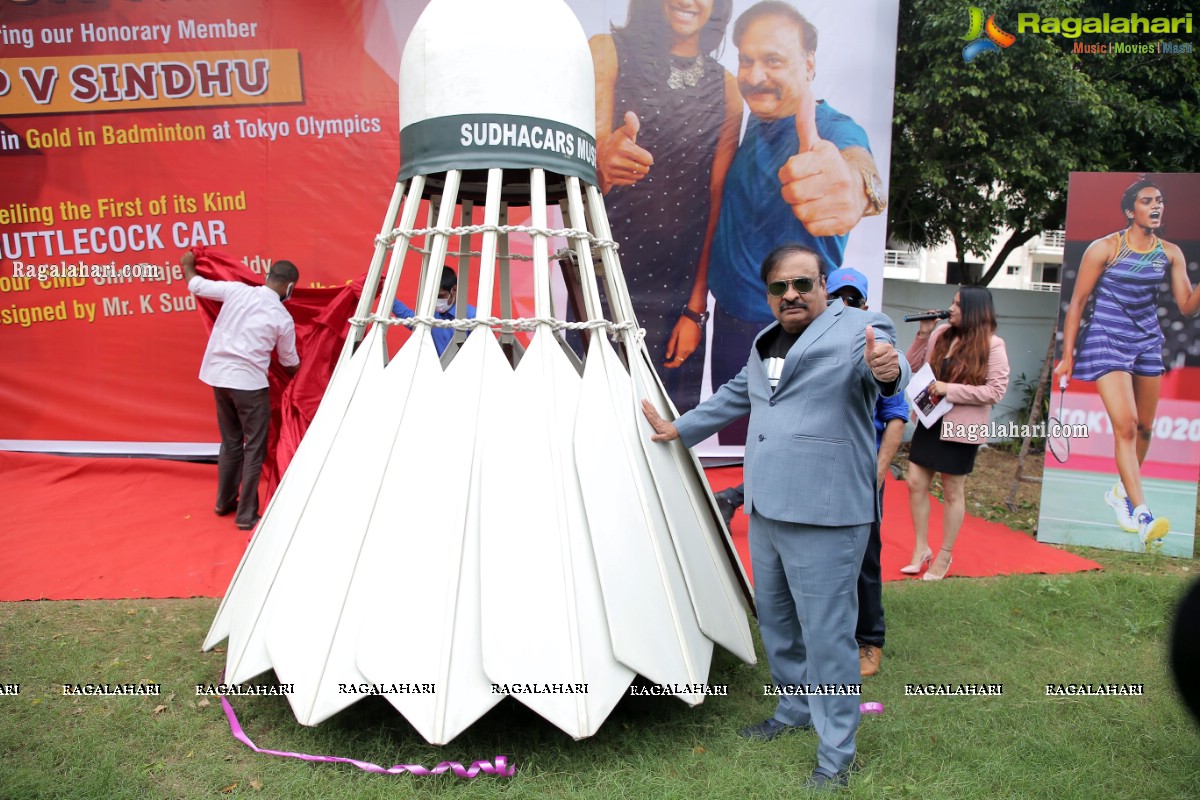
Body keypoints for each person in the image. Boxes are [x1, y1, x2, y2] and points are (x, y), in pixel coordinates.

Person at [641, 244, 909, 791]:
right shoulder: (767, 341)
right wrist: (680, 428)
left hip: (828, 513)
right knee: (779, 622)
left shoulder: (860, 326)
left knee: (829, 635)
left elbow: (885, 364)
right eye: (780, 287)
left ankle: (836, 753)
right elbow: (738, 394)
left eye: (803, 284)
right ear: (768, 294)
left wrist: (889, 370)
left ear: (823, 286)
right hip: (765, 508)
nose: (791, 294)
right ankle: (793, 710)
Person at [712, 267, 907, 678]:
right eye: (840, 296)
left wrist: (877, 470)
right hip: (788, 490)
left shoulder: (866, 335)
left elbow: (894, 401)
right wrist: (677, 429)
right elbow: (746, 397)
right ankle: (796, 700)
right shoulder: (776, 341)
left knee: (864, 568)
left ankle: (868, 642)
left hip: (851, 484)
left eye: (851, 299)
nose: (843, 305)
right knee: (785, 604)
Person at [706, 1, 887, 444]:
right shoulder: (754, 123)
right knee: (737, 452)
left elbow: (856, 167)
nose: (753, 74)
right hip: (729, 325)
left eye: (773, 60)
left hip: (792, 330)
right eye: (746, 60)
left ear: (808, 65)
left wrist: (861, 191)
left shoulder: (829, 128)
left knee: (787, 454)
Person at [589, 0, 742, 412]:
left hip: (678, 299)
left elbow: (716, 204)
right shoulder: (605, 53)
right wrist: (599, 161)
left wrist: (696, 311)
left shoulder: (728, 89)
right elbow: (575, 177)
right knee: (595, 424)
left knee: (668, 439)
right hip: (601, 282)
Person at [1053, 178, 1200, 549]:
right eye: (1147, 200)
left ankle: (1120, 492)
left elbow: (1186, 306)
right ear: (1130, 210)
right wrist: (1067, 356)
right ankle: (1142, 513)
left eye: (1160, 200)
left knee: (1147, 427)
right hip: (1106, 336)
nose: (1156, 206)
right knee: (1128, 424)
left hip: (1147, 339)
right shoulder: (1104, 248)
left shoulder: (1170, 252)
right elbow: (1079, 303)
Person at [183, 250, 301, 531]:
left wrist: (187, 263)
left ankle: (224, 502)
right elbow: (289, 361)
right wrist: (307, 380)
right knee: (255, 449)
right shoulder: (282, 317)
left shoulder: (236, 291)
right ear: (290, 288)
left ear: (266, 277)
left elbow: (196, 285)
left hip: (218, 377)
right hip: (249, 385)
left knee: (231, 442)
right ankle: (246, 515)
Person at [904, 286, 1009, 580]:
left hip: (961, 427)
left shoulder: (993, 345)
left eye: (958, 305)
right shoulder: (941, 335)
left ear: (975, 310)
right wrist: (924, 334)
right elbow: (912, 366)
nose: (951, 308)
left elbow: (995, 391)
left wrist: (951, 389)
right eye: (952, 302)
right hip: (930, 419)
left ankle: (945, 555)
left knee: (952, 490)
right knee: (914, 482)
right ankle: (921, 548)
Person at [392, 266, 478, 357]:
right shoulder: (430, 315)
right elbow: (409, 318)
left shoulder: (472, 317)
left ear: (454, 290)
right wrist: (388, 297)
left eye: (440, 296)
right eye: (432, 297)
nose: (436, 301)